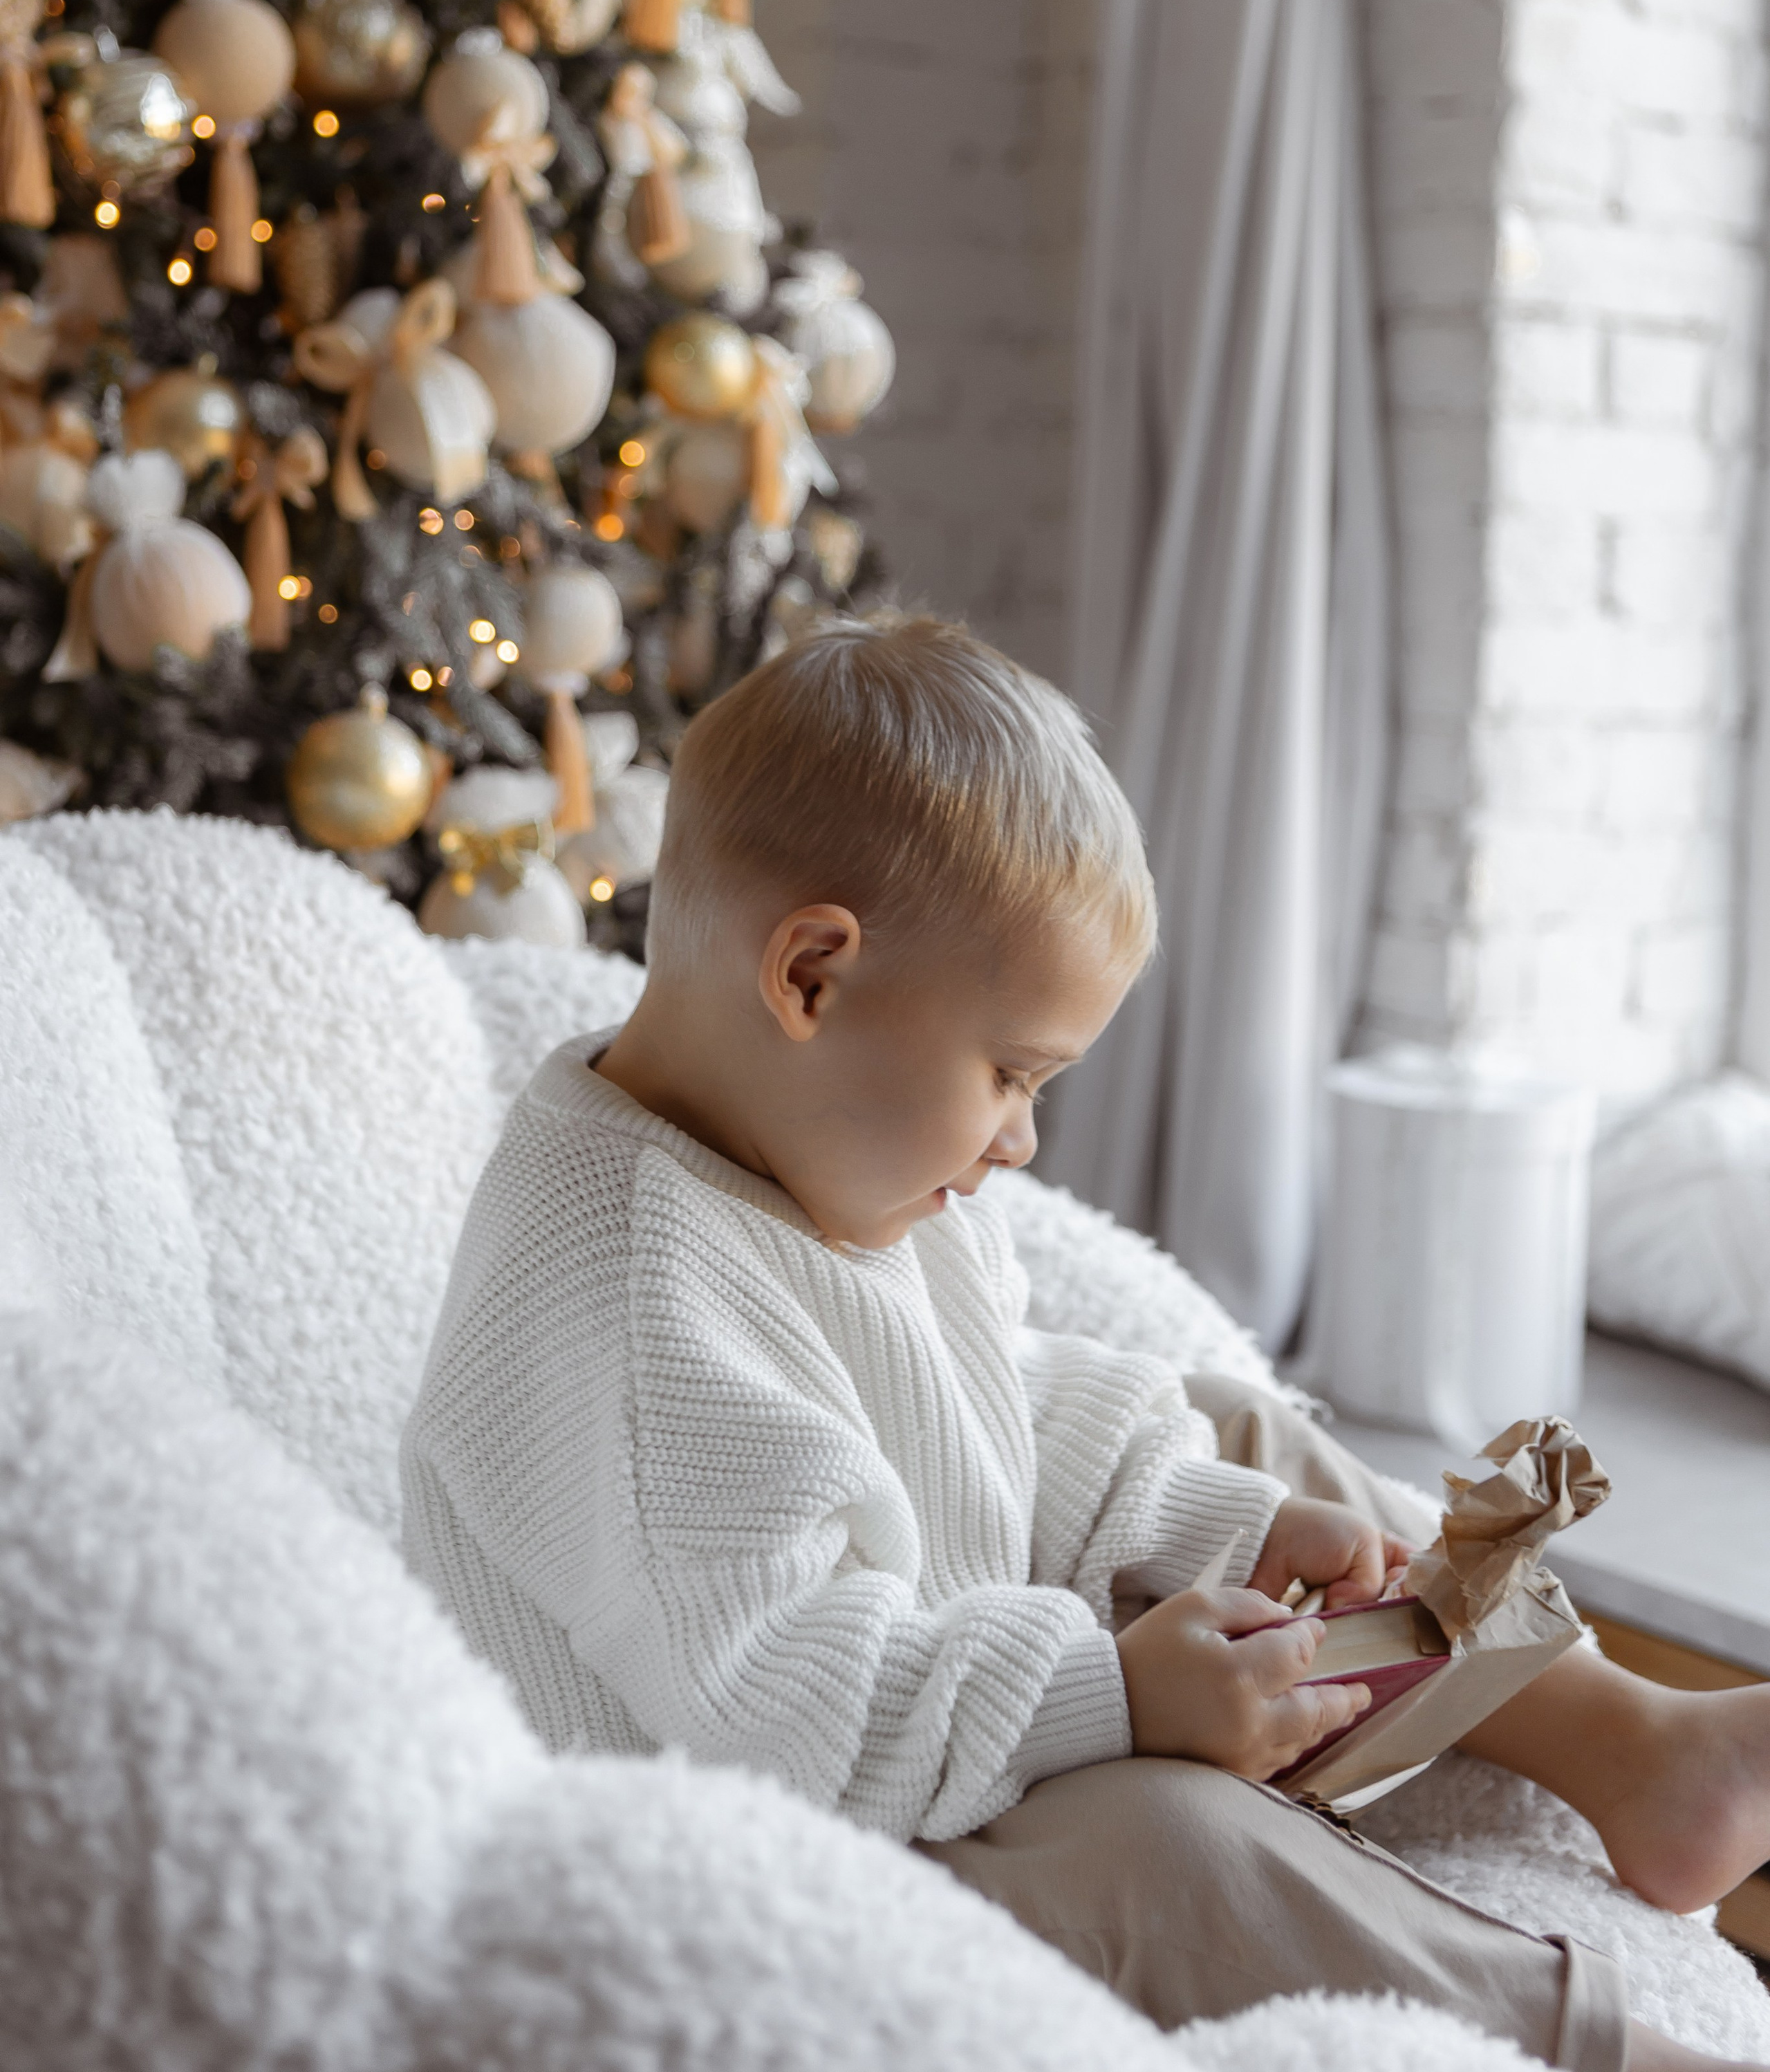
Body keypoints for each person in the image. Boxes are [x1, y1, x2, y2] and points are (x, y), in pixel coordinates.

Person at [404, 617, 1770, 2072]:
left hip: (912, 1710)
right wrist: (1112, 1697)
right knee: (1155, 1842)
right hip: (781, 1863)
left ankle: (1625, 1746)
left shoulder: (832, 1154)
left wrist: (1231, 1530)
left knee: (1232, 1429)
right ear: (810, 975)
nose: (1021, 1140)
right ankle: (1583, 2046)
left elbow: (998, 1414)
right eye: (1010, 1074)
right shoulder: (623, 1295)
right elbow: (800, 1718)